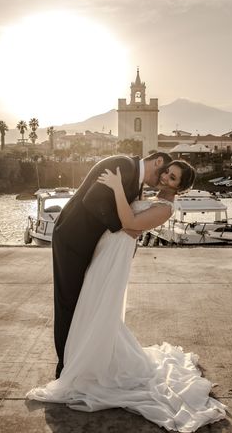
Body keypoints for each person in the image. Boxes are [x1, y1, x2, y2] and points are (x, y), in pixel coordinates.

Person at [27, 160, 227, 432]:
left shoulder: (165, 208)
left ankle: (87, 360)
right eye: (167, 173)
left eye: (173, 178)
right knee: (92, 303)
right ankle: (81, 356)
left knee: (98, 304)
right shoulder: (154, 197)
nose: (166, 178)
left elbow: (130, 222)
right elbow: (128, 225)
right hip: (108, 248)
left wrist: (116, 188)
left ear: (180, 188)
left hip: (114, 254)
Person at [51, 151, 172, 380]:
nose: (163, 179)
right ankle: (64, 367)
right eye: (164, 173)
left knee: (85, 301)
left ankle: (78, 358)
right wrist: (125, 227)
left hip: (90, 244)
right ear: (157, 161)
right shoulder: (122, 165)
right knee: (68, 302)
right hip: (72, 238)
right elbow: (93, 200)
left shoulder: (135, 180)